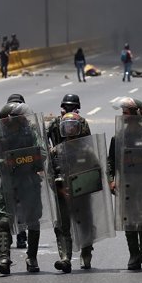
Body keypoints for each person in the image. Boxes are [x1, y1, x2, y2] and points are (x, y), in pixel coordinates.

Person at [0, 102, 46, 274]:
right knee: (5, 220)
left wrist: (30, 159)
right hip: (9, 184)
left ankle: (32, 258)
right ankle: (4, 257)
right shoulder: (0, 137)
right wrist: (3, 163)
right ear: (9, 120)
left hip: (29, 181)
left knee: (33, 220)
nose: (23, 119)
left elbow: (42, 152)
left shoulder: (30, 133)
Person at [107, 97, 142, 270]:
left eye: (126, 113)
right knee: (128, 220)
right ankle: (134, 255)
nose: (124, 116)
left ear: (137, 114)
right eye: (122, 113)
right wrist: (111, 180)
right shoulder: (119, 136)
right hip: (126, 185)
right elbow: (111, 161)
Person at [49, 112, 94, 272]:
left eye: (72, 127)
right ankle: (65, 258)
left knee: (85, 225)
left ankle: (86, 253)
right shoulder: (56, 151)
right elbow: (50, 173)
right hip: (63, 194)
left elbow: (95, 172)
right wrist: (60, 189)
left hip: (82, 194)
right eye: (66, 127)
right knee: (62, 226)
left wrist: (82, 185)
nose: (69, 130)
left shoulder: (86, 150)